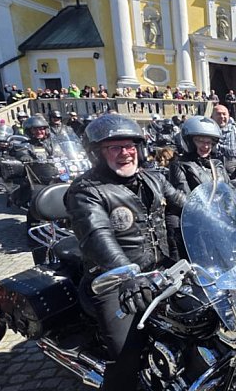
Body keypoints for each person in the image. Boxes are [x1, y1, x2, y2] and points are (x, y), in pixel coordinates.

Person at [65, 114, 187, 391]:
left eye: (130, 146)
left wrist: (221, 217)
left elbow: (186, 205)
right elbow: (98, 236)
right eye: (114, 147)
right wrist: (127, 275)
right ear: (97, 153)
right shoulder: (86, 191)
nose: (125, 153)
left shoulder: (153, 179)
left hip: (163, 270)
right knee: (127, 354)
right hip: (114, 281)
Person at [166, 116, 230, 259]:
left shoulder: (217, 164)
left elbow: (229, 190)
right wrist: (212, 218)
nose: (205, 146)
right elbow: (185, 198)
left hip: (217, 225)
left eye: (209, 142)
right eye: (200, 140)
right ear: (189, 141)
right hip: (194, 227)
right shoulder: (180, 164)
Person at [211, 104, 236, 181]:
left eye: (224, 114)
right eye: (218, 114)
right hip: (214, 178)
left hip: (234, 178)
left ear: (228, 116)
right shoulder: (206, 131)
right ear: (212, 116)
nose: (222, 117)